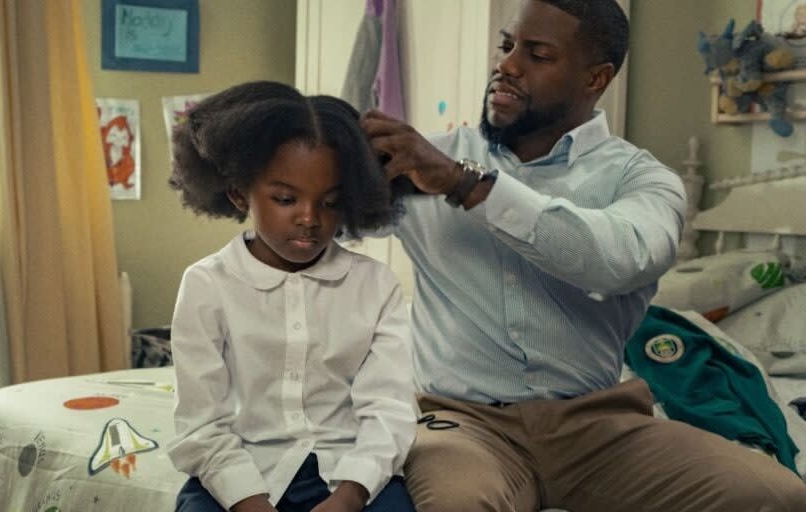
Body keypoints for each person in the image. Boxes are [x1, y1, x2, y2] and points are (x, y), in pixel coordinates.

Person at [359, 0, 806, 510]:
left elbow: (614, 261)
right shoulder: (422, 159)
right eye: (507, 46)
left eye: (537, 53)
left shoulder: (642, 181)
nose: (506, 65)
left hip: (599, 427)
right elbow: (319, 220)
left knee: (779, 495)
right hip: (463, 423)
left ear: (596, 78)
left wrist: (467, 185)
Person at [165, 81, 417, 512]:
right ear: (238, 193)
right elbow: (201, 423)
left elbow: (389, 408)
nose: (309, 219)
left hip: (349, 474)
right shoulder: (207, 285)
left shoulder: (376, 286)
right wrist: (249, 500)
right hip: (241, 475)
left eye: (331, 202)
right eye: (285, 199)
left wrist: (350, 494)